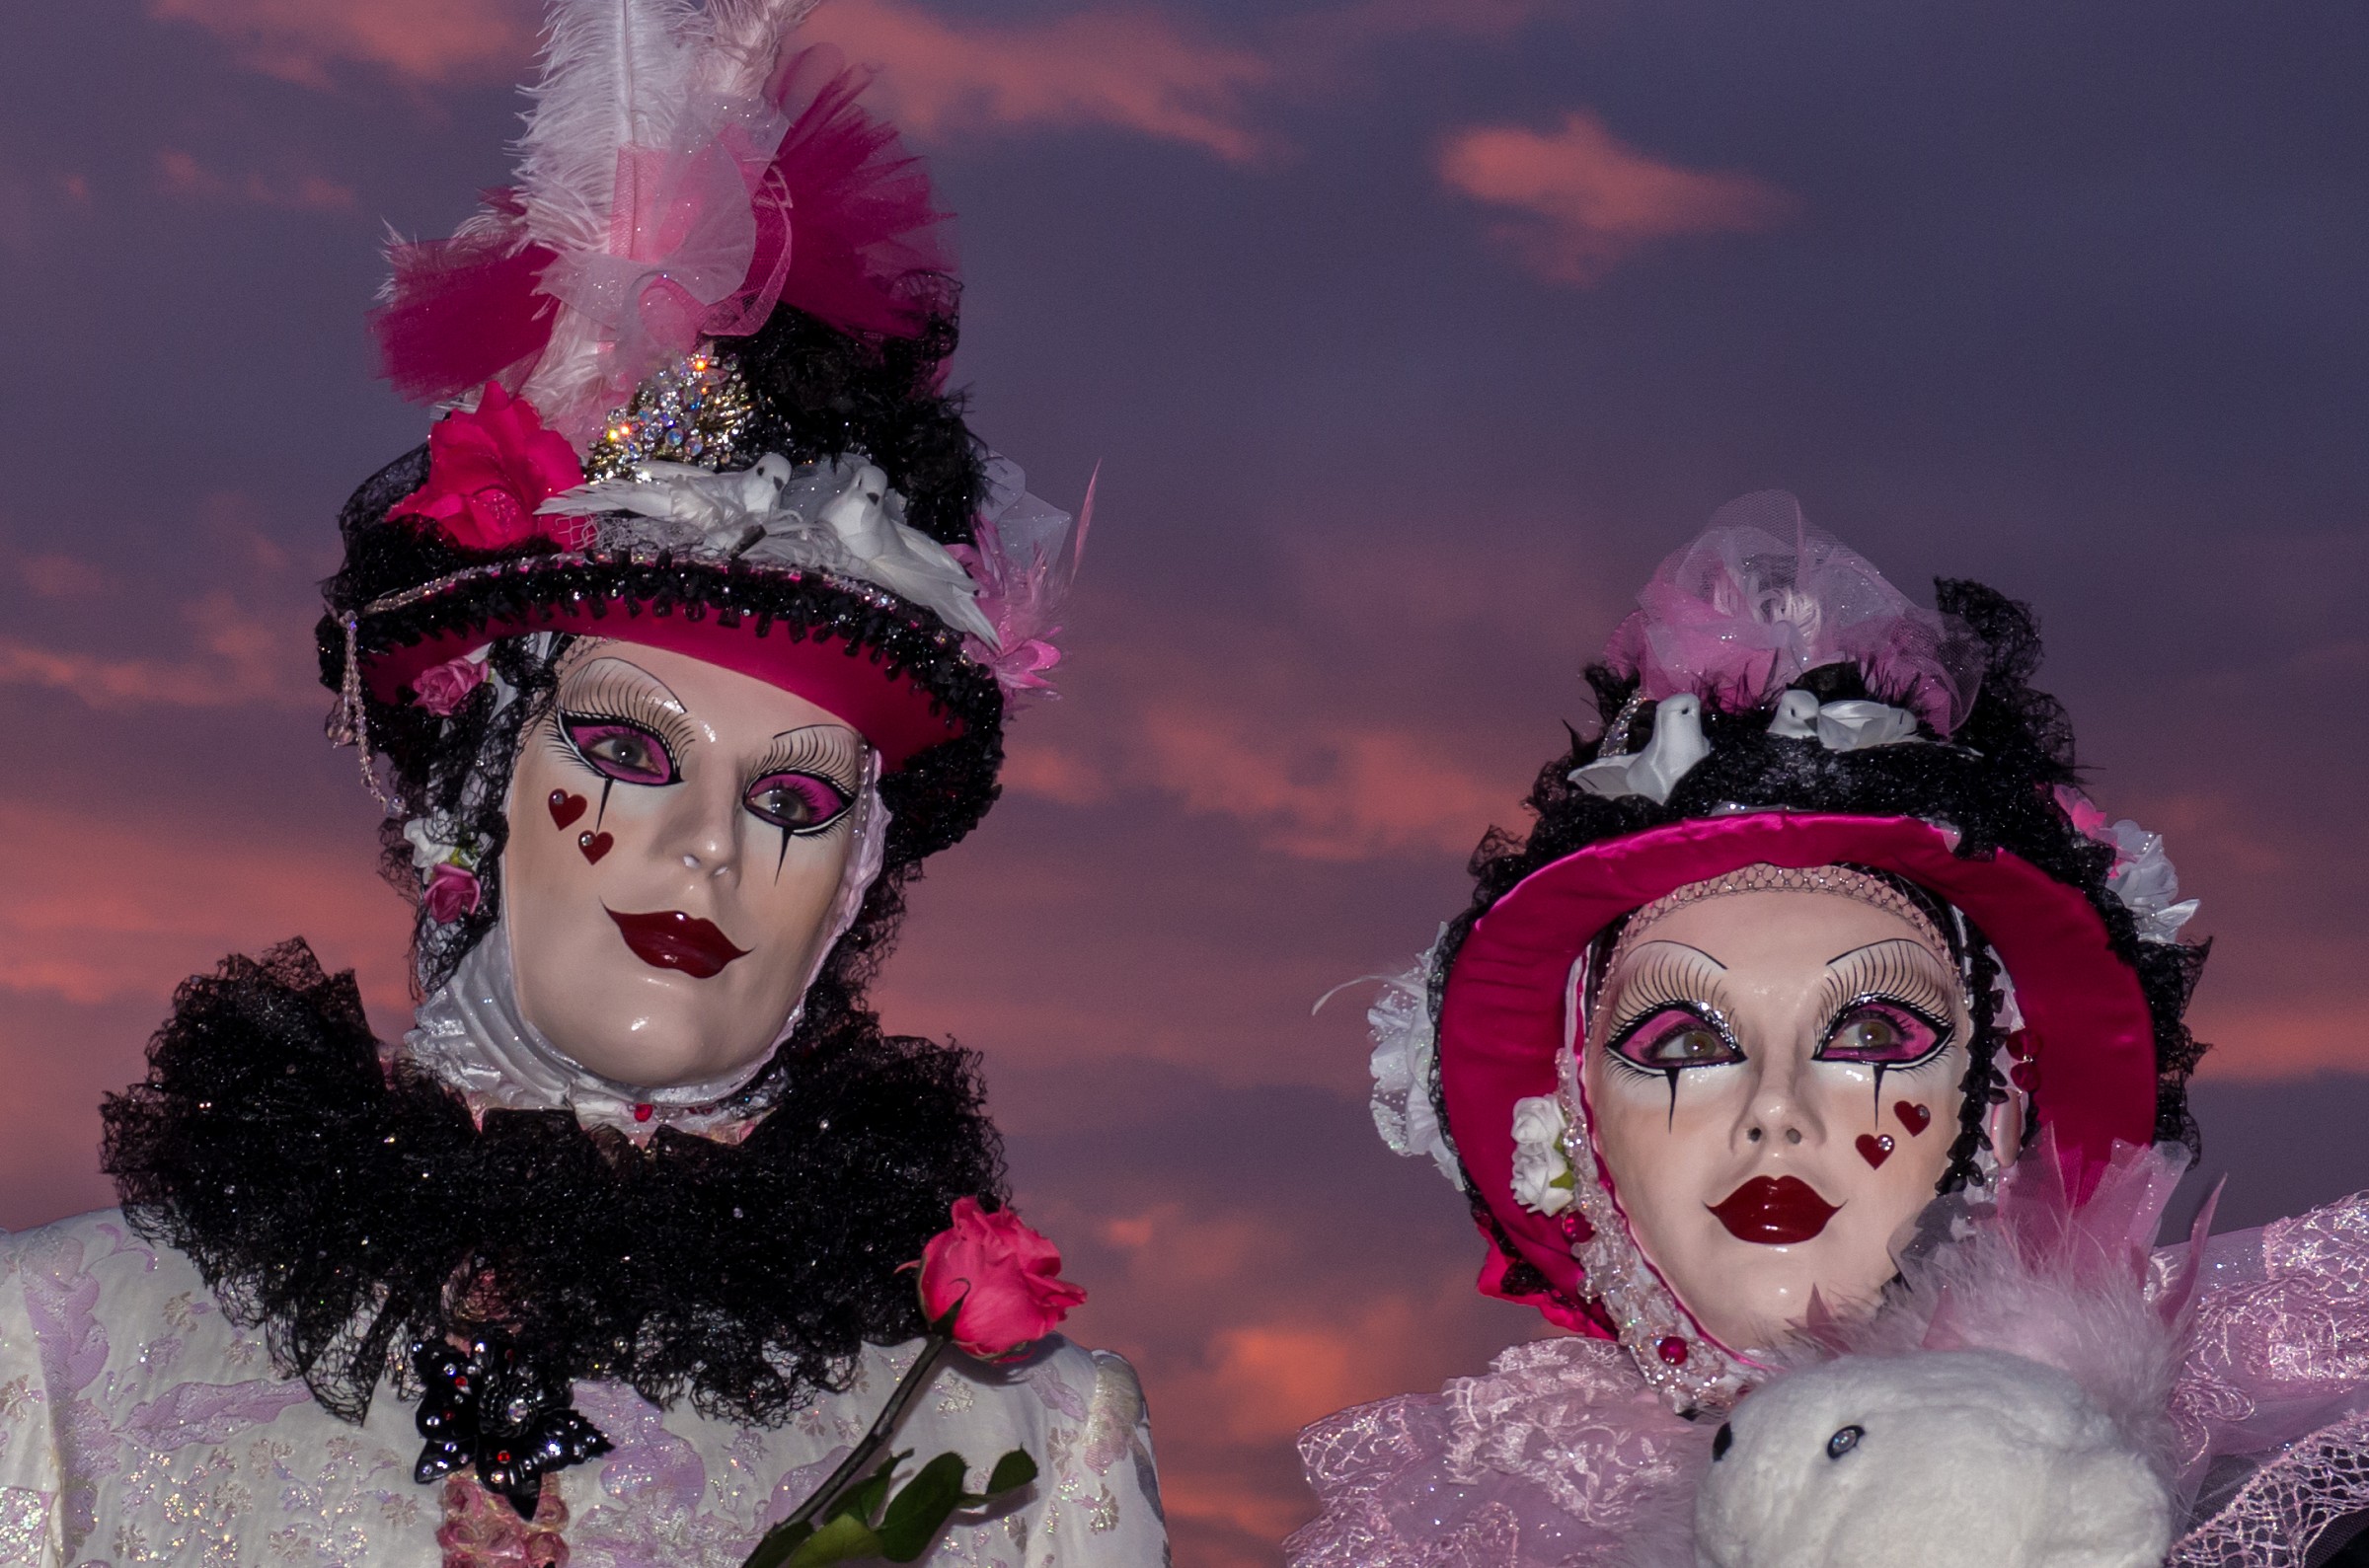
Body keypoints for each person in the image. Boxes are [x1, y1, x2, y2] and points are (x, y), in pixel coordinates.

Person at [0, 4, 1165, 1563]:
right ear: (478, 786)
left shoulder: (1021, 1444)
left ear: (853, 887)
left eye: (797, 802)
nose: (708, 847)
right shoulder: (60, 1351)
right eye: (628, 749)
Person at [1290, 493, 2369, 1566]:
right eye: (1685, 1046)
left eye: (1869, 1037)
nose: (1775, 1111)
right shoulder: (1468, 1531)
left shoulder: (2257, 1514)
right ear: (1578, 1123)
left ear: (1997, 1103)